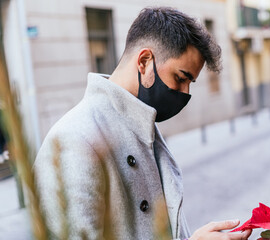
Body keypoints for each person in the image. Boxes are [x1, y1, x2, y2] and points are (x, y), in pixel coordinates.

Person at [33, 7, 252, 240]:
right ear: (144, 61)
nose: (185, 93)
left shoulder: (142, 126)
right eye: (180, 78)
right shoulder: (75, 139)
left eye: (190, 83)